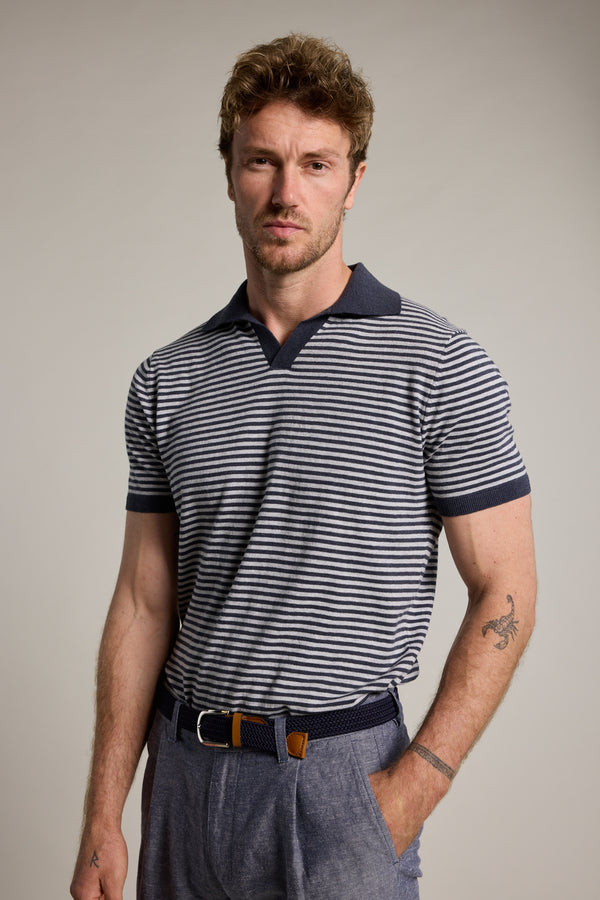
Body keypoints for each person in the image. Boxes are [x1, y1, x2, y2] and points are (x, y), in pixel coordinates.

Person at [70, 33, 536, 900]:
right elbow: (143, 600)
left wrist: (412, 788)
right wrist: (105, 812)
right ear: (230, 171)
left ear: (355, 180)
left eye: (316, 164)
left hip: (341, 781)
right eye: (263, 161)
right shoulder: (168, 377)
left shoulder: (438, 365)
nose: (287, 193)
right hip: (181, 773)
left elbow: (507, 590)